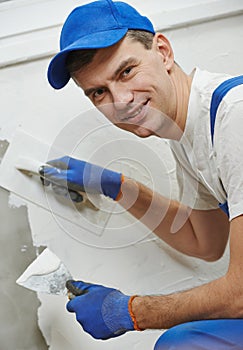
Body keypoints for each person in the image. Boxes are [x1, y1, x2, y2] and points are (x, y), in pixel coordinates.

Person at [41, 0, 243, 348]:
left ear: (162, 51)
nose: (120, 100)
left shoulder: (233, 116)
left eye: (126, 71)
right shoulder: (187, 133)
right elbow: (204, 242)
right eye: (98, 92)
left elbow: (240, 293)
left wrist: (131, 312)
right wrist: (117, 186)